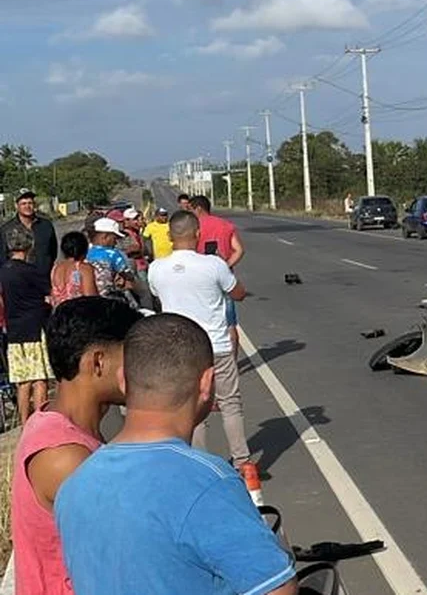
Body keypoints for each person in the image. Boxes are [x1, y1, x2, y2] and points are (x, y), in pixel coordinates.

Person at [55, 314, 296, 595]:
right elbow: (276, 588)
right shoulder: (208, 483)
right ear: (207, 383)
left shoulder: (75, 484)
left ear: (123, 380)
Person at [11, 297, 142, 595]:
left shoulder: (57, 424)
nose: (142, 369)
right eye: (133, 357)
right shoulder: (67, 457)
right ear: (98, 362)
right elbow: (127, 558)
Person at [148, 210, 251, 470]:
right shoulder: (213, 265)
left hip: (180, 349)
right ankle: (242, 460)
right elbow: (238, 293)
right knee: (230, 403)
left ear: (170, 236)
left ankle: (202, 463)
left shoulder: (156, 269)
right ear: (198, 234)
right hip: (217, 344)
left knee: (192, 408)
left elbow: (157, 297)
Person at [1, 227, 54, 424]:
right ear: (29, 245)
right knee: (40, 378)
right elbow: (49, 294)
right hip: (34, 327)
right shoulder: (32, 271)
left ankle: (24, 423)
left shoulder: (3, 272)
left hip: (14, 331)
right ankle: (40, 421)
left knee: (23, 381)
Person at [190, 195, 245, 355]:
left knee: (201, 323)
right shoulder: (226, 225)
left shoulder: (194, 227)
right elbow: (239, 250)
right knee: (230, 324)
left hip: (199, 279)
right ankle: (232, 362)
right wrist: (225, 266)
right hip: (224, 279)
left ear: (198, 208)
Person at [1, 188, 58, 277]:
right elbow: (2, 257)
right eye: (23, 203)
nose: (27, 206)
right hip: (19, 280)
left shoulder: (46, 225)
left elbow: (53, 251)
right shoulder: (6, 229)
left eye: (30, 203)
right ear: (16, 206)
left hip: (43, 280)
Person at [85, 218, 135, 303]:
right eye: (114, 238)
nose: (115, 243)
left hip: (90, 297)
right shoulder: (113, 254)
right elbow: (128, 275)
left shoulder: (85, 252)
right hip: (109, 298)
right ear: (105, 237)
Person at [50, 232, 97, 307]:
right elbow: (90, 297)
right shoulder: (83, 268)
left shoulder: (55, 268)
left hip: (59, 313)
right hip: (77, 313)